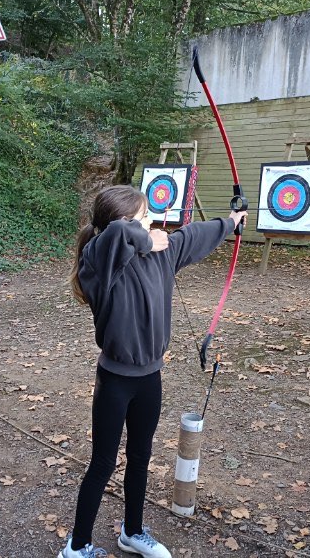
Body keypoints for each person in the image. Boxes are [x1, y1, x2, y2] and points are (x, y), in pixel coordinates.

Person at [58, 185, 246, 558]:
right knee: (102, 463)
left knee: (141, 457)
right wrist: (146, 237)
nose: (152, 225)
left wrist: (230, 222)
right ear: (123, 224)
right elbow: (117, 235)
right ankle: (76, 547)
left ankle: (133, 532)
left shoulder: (162, 253)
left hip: (150, 379)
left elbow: (192, 235)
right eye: (143, 218)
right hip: (114, 380)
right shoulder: (99, 260)